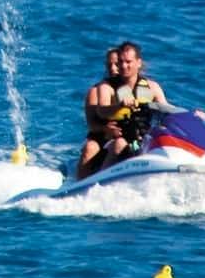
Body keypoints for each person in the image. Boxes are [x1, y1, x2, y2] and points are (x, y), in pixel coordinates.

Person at [76, 41, 186, 180]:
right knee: (118, 145)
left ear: (138, 63)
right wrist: (119, 106)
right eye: (120, 62)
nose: (122, 66)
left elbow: (166, 110)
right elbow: (102, 111)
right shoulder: (106, 86)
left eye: (128, 62)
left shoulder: (152, 87)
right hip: (115, 137)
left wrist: (191, 115)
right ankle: (95, 185)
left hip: (142, 137)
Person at [77, 48, 125, 180]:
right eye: (109, 65)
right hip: (102, 137)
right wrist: (106, 129)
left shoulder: (137, 87)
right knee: (89, 148)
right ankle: (78, 186)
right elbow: (92, 125)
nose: (113, 68)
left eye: (116, 64)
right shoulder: (95, 91)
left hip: (127, 136)